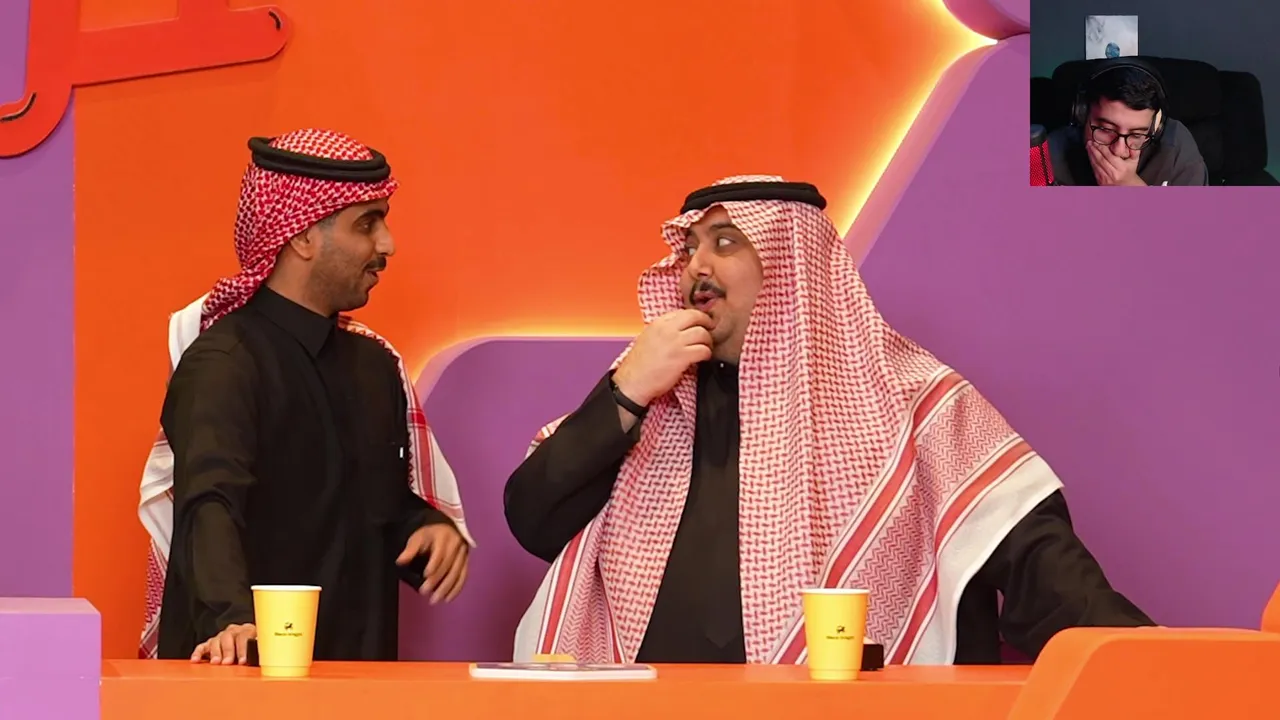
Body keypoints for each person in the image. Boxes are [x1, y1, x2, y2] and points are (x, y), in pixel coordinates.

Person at [504, 175, 1153, 666]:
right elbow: (534, 519)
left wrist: (1157, 671)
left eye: (726, 242)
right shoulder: (644, 397)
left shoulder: (907, 399)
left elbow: (1044, 572)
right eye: (691, 247)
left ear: (794, 264)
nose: (696, 266)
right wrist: (626, 392)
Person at [137, 128, 474, 664]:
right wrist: (230, 619)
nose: (387, 244)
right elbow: (209, 505)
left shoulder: (373, 366)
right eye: (367, 223)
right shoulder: (224, 364)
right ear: (302, 238)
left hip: (356, 679)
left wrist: (423, 529)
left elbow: (365, 506)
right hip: (242, 676)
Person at [1047, 59, 1208, 186]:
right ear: (1082, 115)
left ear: (1155, 128)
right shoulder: (1048, 154)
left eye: (1136, 135)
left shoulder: (1176, 146)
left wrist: (1132, 189)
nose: (1119, 150)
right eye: (1106, 129)